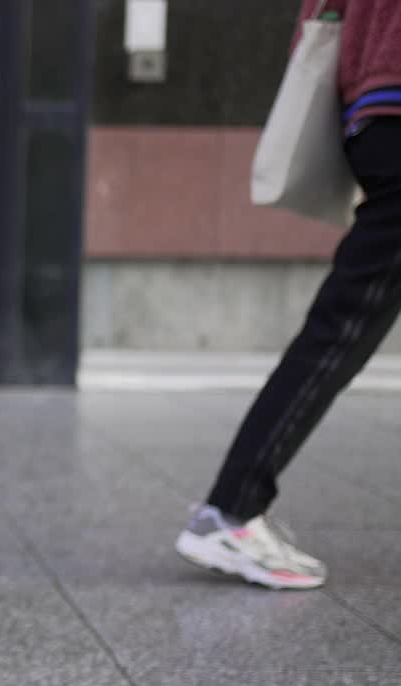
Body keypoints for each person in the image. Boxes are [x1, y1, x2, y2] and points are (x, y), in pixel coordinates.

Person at [176, 0, 401, 589]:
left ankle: (230, 509)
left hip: (374, 113)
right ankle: (230, 512)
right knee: (342, 330)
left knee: (341, 327)